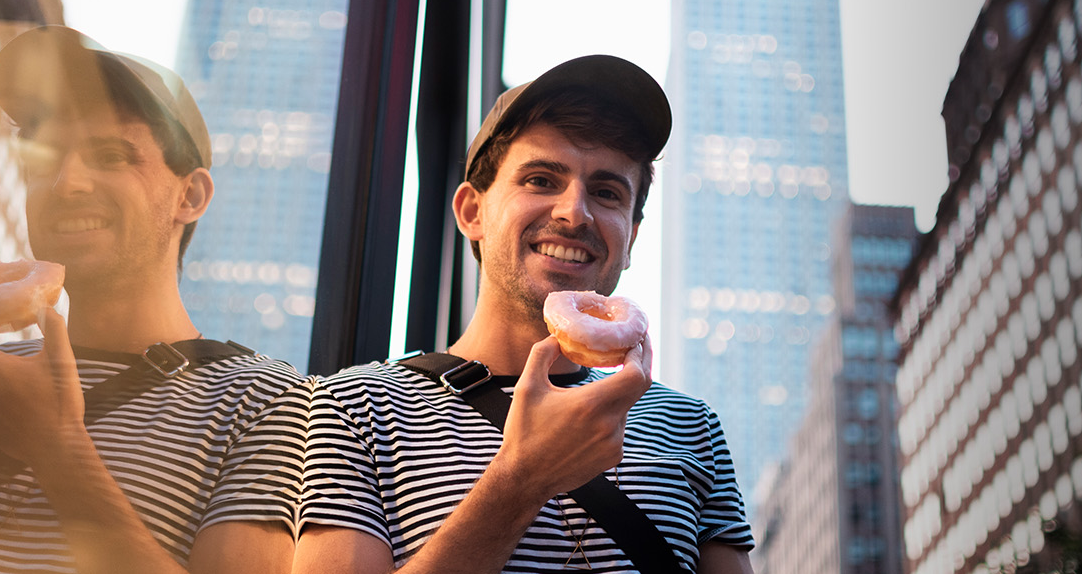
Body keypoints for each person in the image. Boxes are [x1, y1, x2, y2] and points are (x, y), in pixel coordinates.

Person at [296, 55, 755, 573]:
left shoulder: (691, 425)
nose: (573, 212)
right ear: (473, 212)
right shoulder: (351, 408)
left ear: (631, 240)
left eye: (606, 192)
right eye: (540, 180)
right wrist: (523, 477)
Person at [0, 26, 310, 574]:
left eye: (110, 156)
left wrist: (57, 450)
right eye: (44, 159)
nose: (66, 184)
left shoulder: (267, 402)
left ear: (190, 195)